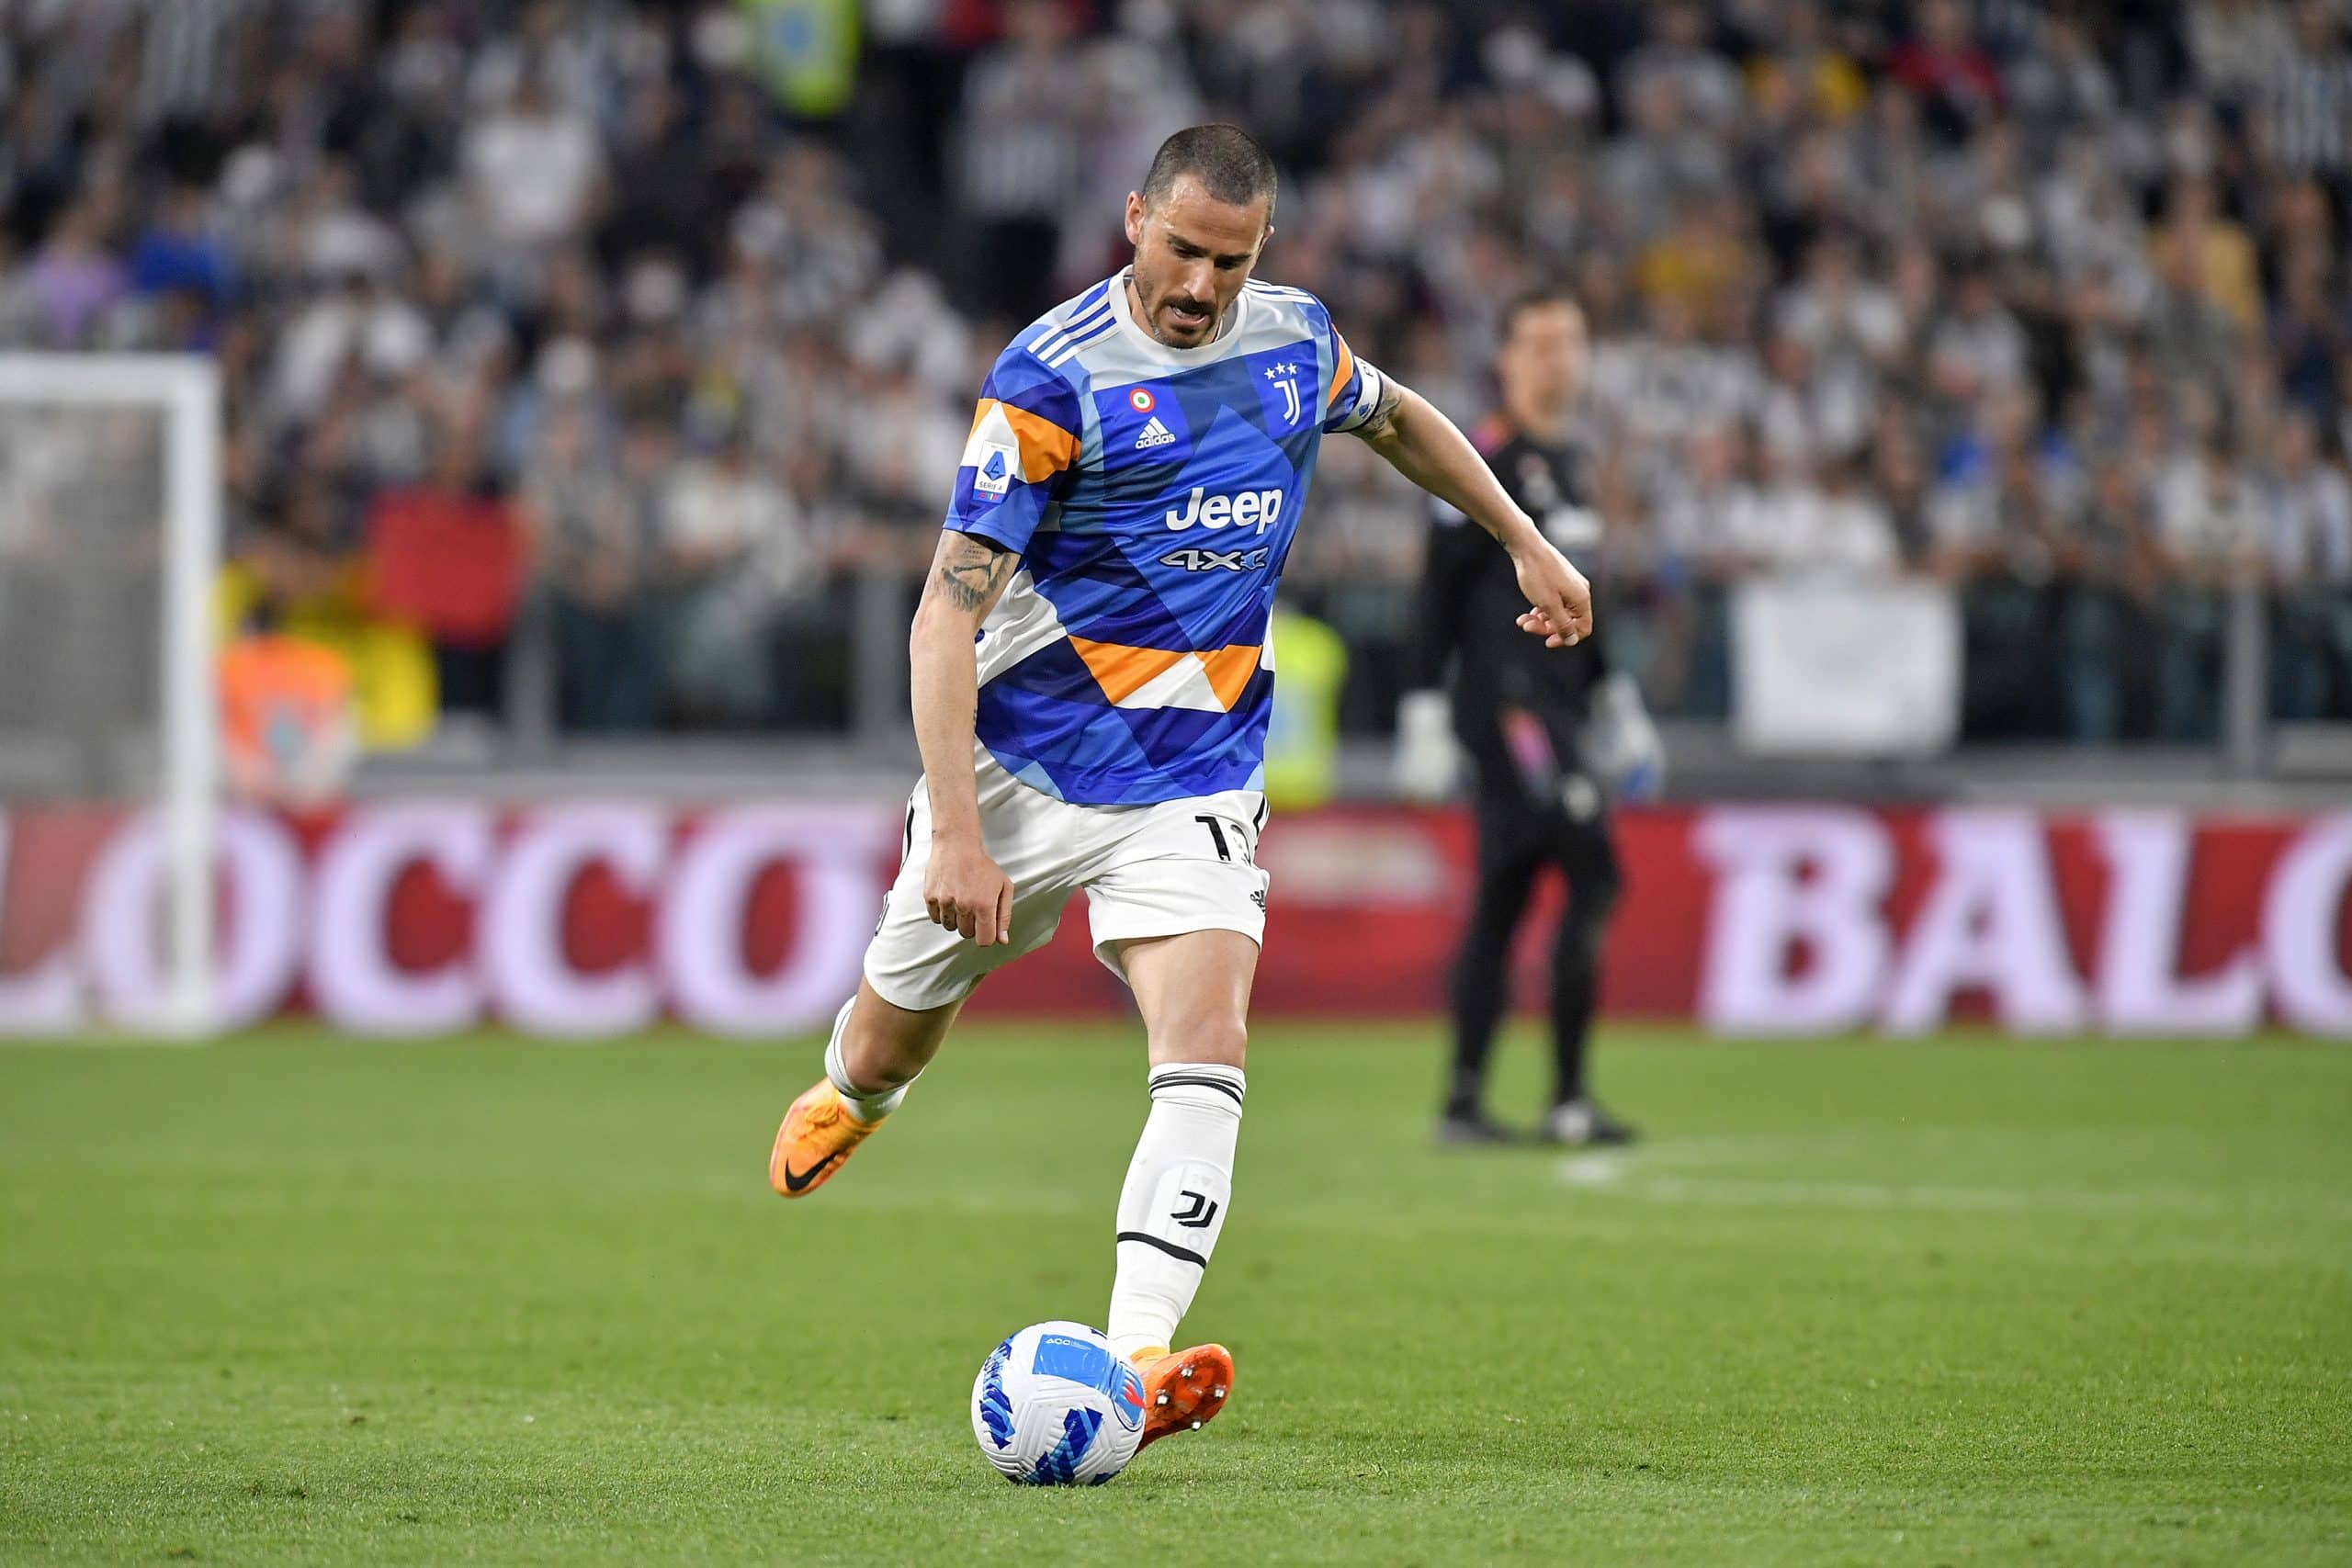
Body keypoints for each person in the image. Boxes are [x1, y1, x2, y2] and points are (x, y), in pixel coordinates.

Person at [766, 126, 1593, 1453]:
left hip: (1192, 774)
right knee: (887, 1039)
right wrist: (960, 837)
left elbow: (1398, 419)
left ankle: (1138, 1356)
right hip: (1020, 770)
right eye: (1184, 250)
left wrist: (1522, 537)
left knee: (1206, 1044)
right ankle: (855, 1095)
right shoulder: (1051, 375)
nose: (1202, 285)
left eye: (1232, 260)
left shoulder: (1294, 341)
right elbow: (943, 617)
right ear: (1135, 219)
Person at [1395, 288, 1655, 1148]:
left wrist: (1614, 695)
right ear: (1505, 359)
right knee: (1594, 871)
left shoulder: (1571, 461)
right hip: (1511, 714)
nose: (1558, 358)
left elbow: (1585, 599)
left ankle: (1463, 1101)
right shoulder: (1483, 459)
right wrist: (1424, 707)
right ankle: (1566, 1098)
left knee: (1505, 895)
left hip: (1563, 709)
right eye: (1539, 342)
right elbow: (1435, 592)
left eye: (1569, 341)